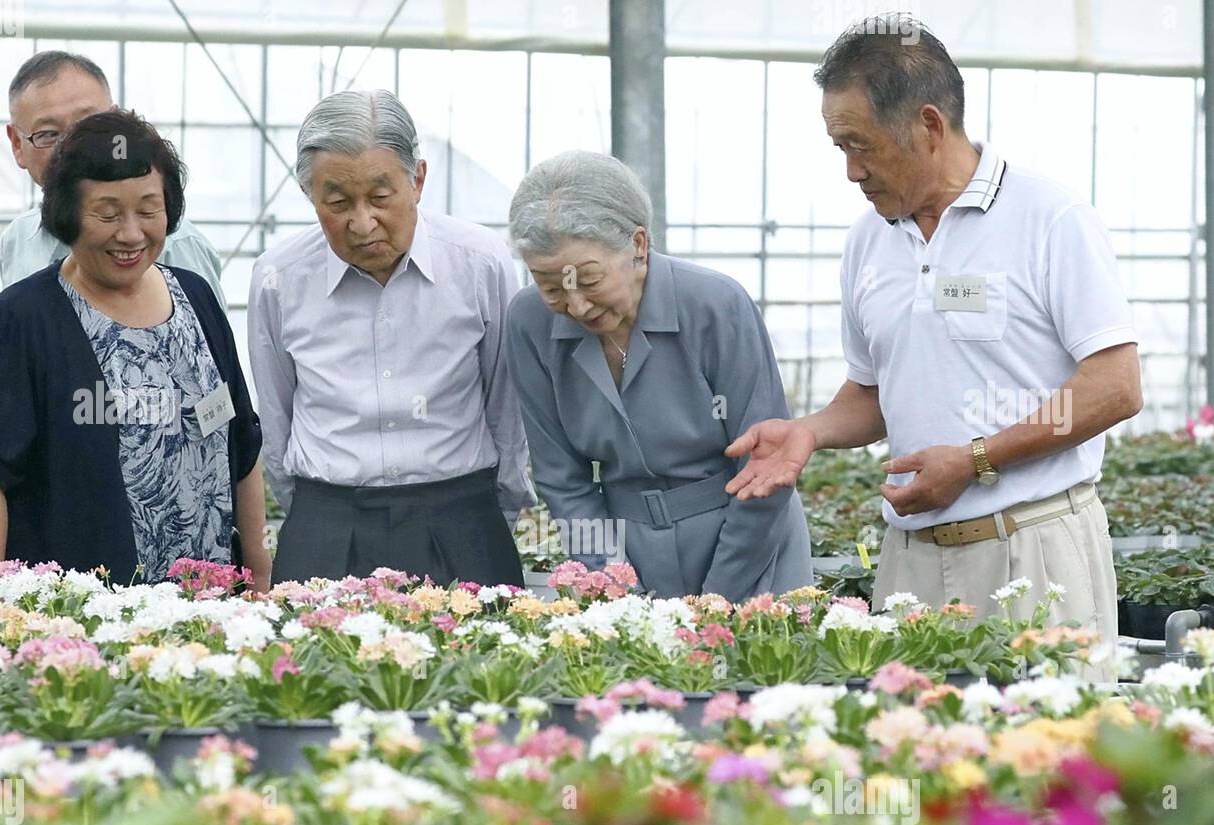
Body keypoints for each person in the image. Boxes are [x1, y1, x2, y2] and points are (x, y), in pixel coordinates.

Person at [725, 16, 1140, 648]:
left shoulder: (1049, 219)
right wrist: (808, 431)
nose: (851, 172)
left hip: (1031, 550)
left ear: (928, 126)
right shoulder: (868, 241)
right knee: (908, 744)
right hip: (909, 559)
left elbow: (1114, 385)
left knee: (1043, 740)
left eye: (859, 145)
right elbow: (869, 395)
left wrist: (977, 459)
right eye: (840, 148)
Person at [0, 109, 270, 589]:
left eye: (148, 210)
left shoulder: (196, 298)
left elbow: (242, 449)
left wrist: (259, 579)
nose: (131, 234)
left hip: (210, 615)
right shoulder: (21, 319)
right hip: (84, 623)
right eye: (106, 213)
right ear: (66, 214)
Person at [248, 90, 534, 586]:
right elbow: (276, 417)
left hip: (461, 518)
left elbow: (507, 407)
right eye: (336, 202)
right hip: (326, 524)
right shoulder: (279, 277)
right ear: (311, 196)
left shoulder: (480, 262)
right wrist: (316, 517)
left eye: (381, 197)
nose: (362, 223)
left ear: (417, 179)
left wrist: (492, 515)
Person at [503, 151, 812, 602]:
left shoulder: (715, 305)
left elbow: (764, 468)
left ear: (639, 245)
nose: (577, 307)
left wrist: (719, 597)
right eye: (551, 287)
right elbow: (562, 480)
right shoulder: (528, 322)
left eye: (589, 280)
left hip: (749, 545)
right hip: (623, 553)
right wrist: (614, 584)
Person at [1, 50, 225, 306]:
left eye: (89, 125)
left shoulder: (174, 243)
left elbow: (206, 341)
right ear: (18, 144)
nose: (71, 147)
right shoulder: (17, 239)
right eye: (49, 134)